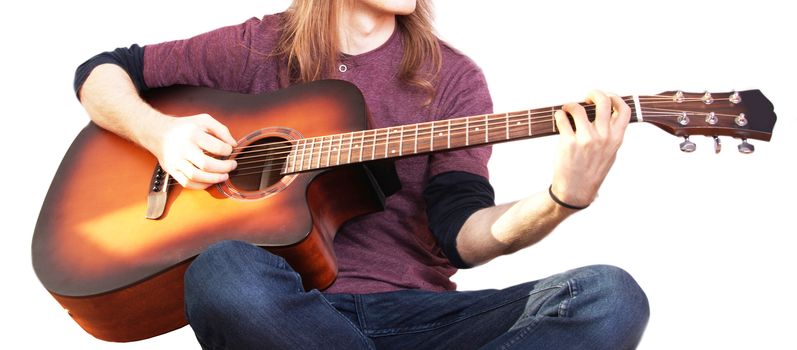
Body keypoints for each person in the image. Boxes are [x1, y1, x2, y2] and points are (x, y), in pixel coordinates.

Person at [75, 0, 649, 349]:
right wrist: (163, 135)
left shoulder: (451, 78)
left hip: (422, 321)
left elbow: (461, 235)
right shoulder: (260, 46)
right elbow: (102, 73)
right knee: (222, 269)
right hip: (285, 314)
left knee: (607, 297)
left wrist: (561, 198)